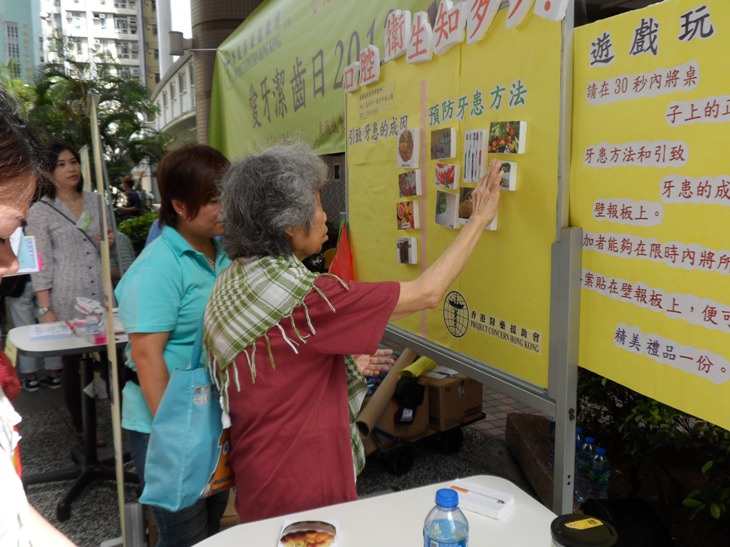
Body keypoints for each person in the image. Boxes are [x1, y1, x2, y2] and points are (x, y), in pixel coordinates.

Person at [204, 142, 503, 523]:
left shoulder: (234, 281)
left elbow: (274, 366)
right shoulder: (306, 300)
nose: (326, 216)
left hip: (258, 472)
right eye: (317, 206)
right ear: (290, 227)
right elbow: (427, 292)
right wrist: (478, 218)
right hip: (306, 480)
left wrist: (341, 368)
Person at [115, 144, 231, 546]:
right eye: (214, 200)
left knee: (212, 526)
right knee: (184, 536)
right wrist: (175, 438)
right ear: (180, 205)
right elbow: (147, 358)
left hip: (212, 416)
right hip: (166, 424)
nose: (225, 208)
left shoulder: (223, 254)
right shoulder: (157, 267)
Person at [0, 85, 77, 545]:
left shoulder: (94, 206)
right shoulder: (46, 215)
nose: (12, 264)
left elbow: (13, 512)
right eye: (5, 232)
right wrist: (46, 306)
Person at [25, 142, 112, 446]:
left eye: (73, 162)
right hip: (67, 298)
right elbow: (39, 262)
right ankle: (82, 425)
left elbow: (103, 243)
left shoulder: (95, 201)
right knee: (74, 366)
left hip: (100, 294)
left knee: (110, 358)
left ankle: (120, 416)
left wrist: (108, 241)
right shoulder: (41, 211)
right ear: (49, 173)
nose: (71, 168)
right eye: (61, 164)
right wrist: (45, 308)